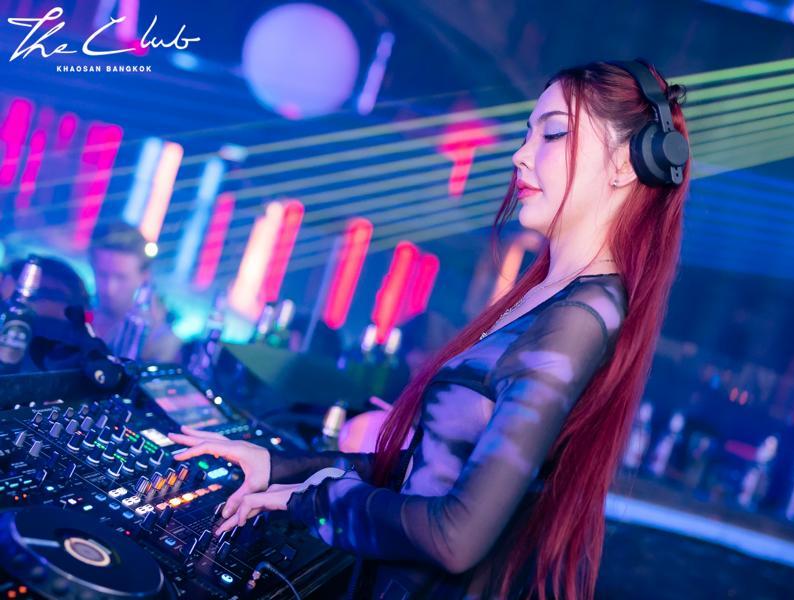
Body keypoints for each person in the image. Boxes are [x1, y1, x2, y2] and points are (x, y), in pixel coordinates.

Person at [168, 59, 691, 599]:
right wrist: (282, 469)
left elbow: (455, 537)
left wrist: (315, 501)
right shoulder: (552, 299)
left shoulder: (576, 319)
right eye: (527, 133)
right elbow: (433, 468)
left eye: (554, 134)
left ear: (624, 164)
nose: (520, 154)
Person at [88, 221, 182, 363]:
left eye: (121, 277)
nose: (109, 288)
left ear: (144, 276)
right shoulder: (75, 311)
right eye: (102, 274)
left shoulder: (162, 342)